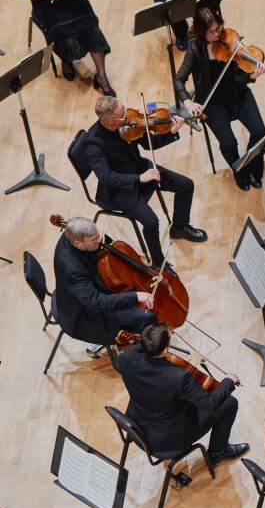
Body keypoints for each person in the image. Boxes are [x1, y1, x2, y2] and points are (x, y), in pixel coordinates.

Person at [77, 96, 207, 267]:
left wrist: (172, 131)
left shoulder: (128, 123)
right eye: (122, 113)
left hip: (141, 169)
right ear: (109, 122)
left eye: (123, 107)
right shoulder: (93, 144)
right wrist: (139, 178)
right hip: (119, 191)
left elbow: (148, 144)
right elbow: (106, 177)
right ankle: (158, 263)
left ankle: (179, 227)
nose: (127, 112)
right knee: (151, 221)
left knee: (186, 185)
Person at [116, 322, 248, 463]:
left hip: (137, 425)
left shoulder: (125, 359)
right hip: (167, 442)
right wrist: (228, 381)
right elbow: (210, 403)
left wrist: (150, 341)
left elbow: (133, 357)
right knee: (230, 403)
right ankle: (218, 452)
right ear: (166, 348)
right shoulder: (178, 377)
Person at [174, 8, 265, 191]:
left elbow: (240, 76)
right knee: (228, 143)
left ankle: (254, 166)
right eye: (211, 31)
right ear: (201, 31)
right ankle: (239, 170)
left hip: (238, 94)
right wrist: (187, 102)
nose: (217, 34)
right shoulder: (194, 49)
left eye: (218, 28)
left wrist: (252, 76)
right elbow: (179, 79)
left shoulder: (230, 40)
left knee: (260, 132)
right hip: (213, 103)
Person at [52, 216, 156, 349]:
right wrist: (135, 296)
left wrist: (100, 234)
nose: (98, 241)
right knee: (147, 316)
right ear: (77, 243)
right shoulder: (71, 268)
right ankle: (140, 352)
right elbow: (96, 302)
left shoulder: (72, 230)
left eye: (97, 236)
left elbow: (96, 245)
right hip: (85, 315)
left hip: (89, 288)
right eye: (94, 241)